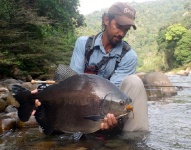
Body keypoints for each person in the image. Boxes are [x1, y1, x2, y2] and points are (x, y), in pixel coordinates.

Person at [34, 2, 148, 133]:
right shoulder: (83, 43)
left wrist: (108, 116)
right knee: (47, 128)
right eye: (118, 26)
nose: (122, 33)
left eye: (126, 29)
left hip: (109, 112)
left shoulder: (129, 56)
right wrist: (44, 93)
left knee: (135, 82)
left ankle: (132, 140)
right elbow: (71, 82)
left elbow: (113, 93)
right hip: (79, 108)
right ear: (106, 20)